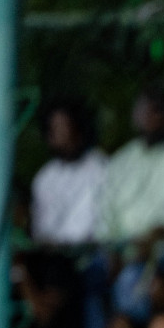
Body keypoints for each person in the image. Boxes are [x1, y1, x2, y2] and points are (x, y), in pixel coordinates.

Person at [98, 88, 164, 244]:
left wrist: (144, 244)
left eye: (156, 111)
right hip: (116, 247)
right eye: (142, 111)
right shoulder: (125, 156)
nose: (147, 118)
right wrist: (110, 246)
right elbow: (106, 206)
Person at [31, 98, 108, 245]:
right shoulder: (44, 176)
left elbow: (89, 224)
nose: (57, 135)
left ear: (78, 127)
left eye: (62, 127)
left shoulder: (100, 168)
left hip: (87, 252)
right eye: (52, 128)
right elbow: (41, 227)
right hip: (48, 254)